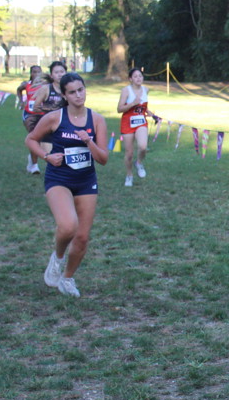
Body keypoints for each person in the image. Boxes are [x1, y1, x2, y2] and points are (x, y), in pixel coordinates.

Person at [25, 72, 109, 297]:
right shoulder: (54, 118)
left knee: (82, 238)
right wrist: (46, 156)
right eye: (72, 92)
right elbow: (30, 139)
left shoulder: (97, 120)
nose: (78, 95)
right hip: (59, 179)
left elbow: (103, 159)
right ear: (64, 95)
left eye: (81, 90)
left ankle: (67, 279)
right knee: (68, 225)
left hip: (86, 181)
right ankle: (58, 258)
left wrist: (88, 141)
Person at [116, 67, 151, 186]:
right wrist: (132, 104)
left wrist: (148, 111)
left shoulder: (146, 90)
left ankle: (139, 163)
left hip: (141, 121)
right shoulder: (126, 91)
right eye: (135, 76)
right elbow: (119, 109)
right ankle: (129, 175)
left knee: (143, 146)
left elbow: (143, 107)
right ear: (130, 79)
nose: (138, 78)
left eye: (140, 76)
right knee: (129, 153)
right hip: (127, 123)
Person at [17, 65, 45, 173]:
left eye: (39, 72)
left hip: (42, 114)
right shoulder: (27, 84)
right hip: (29, 114)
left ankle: (31, 159)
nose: (36, 74)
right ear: (31, 73)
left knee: (41, 140)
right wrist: (21, 101)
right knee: (34, 137)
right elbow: (19, 90)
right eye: (34, 72)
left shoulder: (45, 85)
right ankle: (34, 166)